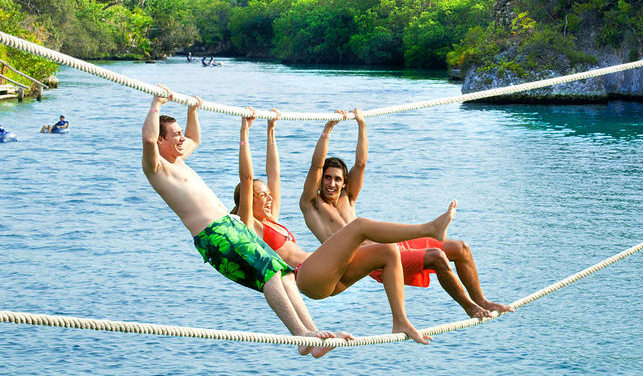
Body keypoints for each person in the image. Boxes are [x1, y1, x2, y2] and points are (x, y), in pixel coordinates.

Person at [141, 85, 352, 358]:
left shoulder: (179, 158)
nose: (182, 139)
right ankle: (301, 336)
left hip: (233, 228)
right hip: (214, 235)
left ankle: (313, 335)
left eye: (181, 133)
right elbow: (147, 141)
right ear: (160, 140)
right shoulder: (157, 167)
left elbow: (195, 138)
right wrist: (155, 104)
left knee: (284, 271)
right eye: (175, 135)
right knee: (269, 272)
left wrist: (192, 110)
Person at [234, 108, 459, 344]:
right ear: (247, 201)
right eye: (261, 196)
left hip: (334, 275)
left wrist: (271, 130)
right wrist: (245, 131)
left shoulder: (273, 218)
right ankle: (429, 229)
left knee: (388, 250)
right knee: (360, 226)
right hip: (308, 277)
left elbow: (275, 173)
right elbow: (248, 178)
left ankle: (400, 320)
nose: (269, 198)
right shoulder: (249, 223)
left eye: (269, 195)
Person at [300, 109, 514, 319]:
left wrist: (362, 125)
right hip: (371, 257)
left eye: (337, 179)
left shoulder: (348, 198)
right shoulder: (312, 204)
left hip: (390, 243)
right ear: (320, 181)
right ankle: (470, 307)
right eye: (327, 178)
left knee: (461, 248)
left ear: (344, 182)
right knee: (437, 257)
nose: (331, 183)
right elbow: (316, 165)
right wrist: (328, 129)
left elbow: (361, 164)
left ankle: (482, 300)